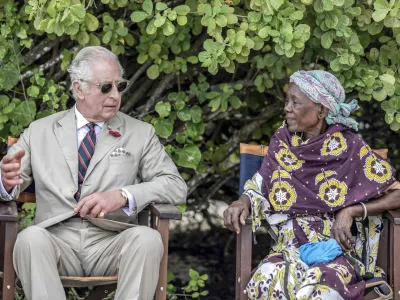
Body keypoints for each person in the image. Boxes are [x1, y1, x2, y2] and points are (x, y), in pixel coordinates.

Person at [0, 46, 187, 300]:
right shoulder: (39, 131)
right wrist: (5, 182)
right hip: (56, 241)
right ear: (79, 89)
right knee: (29, 238)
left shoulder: (140, 133)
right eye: (105, 87)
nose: (115, 96)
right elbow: (11, 180)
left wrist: (123, 195)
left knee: (148, 239)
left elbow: (175, 185)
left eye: (119, 86)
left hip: (112, 241)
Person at [223, 70, 400, 299]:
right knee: (268, 279)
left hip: (336, 253)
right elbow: (260, 185)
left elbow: (396, 194)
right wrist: (241, 202)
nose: (287, 108)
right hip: (287, 251)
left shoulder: (350, 147)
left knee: (320, 290)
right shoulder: (282, 142)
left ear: (321, 110)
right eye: (287, 101)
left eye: (295, 102)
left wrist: (351, 211)